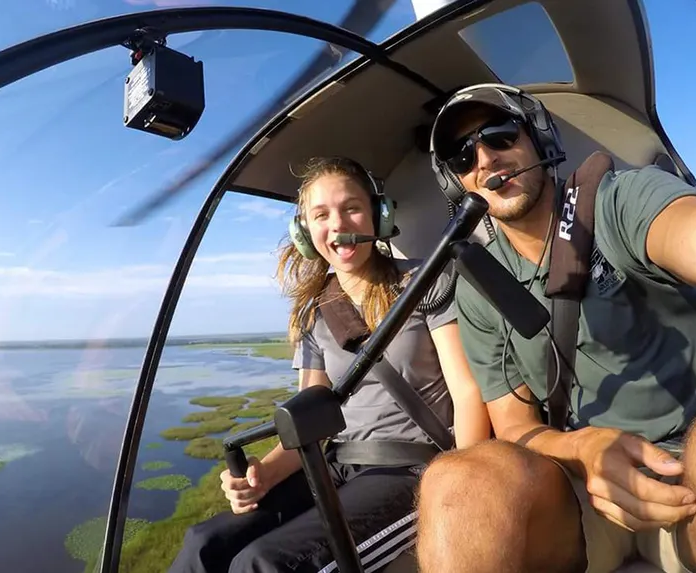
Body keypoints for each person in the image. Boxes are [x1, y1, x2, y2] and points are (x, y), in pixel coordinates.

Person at [413, 83, 696, 573]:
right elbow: (515, 426)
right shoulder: (481, 287)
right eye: (462, 156)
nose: (484, 158)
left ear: (538, 139)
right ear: (457, 183)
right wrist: (581, 448)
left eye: (499, 135)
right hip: (585, 494)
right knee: (455, 481)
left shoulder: (620, 203)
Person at [168, 156, 491, 573]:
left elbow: (467, 391)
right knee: (204, 544)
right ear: (304, 232)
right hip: (335, 464)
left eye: (351, 208)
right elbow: (310, 415)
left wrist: (462, 484)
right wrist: (262, 475)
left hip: (411, 469)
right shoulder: (315, 312)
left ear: (378, 214)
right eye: (321, 214)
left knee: (263, 564)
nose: (338, 224)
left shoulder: (426, 283)